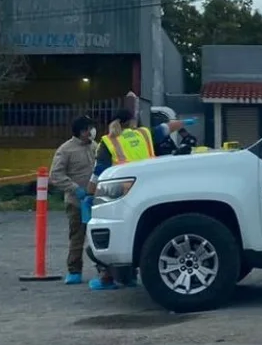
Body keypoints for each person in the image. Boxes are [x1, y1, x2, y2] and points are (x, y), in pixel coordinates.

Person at [85, 97, 193, 291]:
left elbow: (98, 172)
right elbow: (169, 126)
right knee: (139, 232)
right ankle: (130, 278)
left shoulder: (108, 141)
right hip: (150, 190)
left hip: (122, 192)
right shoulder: (145, 134)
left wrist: (89, 194)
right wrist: (186, 123)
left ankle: (107, 278)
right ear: (132, 122)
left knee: (113, 233)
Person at [48, 115, 98, 286]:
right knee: (77, 237)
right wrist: (75, 188)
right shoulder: (66, 150)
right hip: (76, 203)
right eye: (89, 128)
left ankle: (103, 271)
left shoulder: (95, 147)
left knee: (99, 237)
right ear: (82, 131)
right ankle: (74, 270)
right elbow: (55, 175)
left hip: (97, 201)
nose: (92, 131)